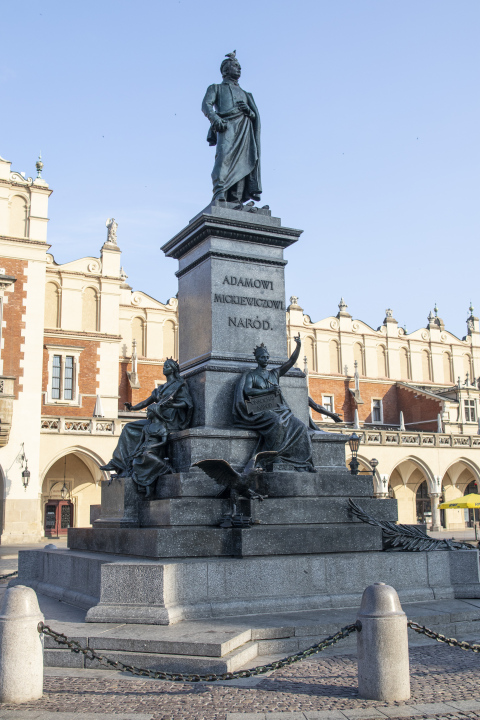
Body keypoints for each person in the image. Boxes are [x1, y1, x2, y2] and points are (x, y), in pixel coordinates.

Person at [100, 359, 193, 495]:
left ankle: (135, 466)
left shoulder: (180, 385)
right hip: (157, 419)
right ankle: (118, 462)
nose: (164, 368)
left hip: (170, 420)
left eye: (167, 366)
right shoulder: (161, 388)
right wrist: (132, 407)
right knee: (128, 428)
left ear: (173, 369)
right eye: (164, 366)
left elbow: (187, 403)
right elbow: (146, 402)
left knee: (133, 430)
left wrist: (172, 405)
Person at [233, 337, 316, 472]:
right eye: (262, 357)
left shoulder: (274, 373)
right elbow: (247, 390)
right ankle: (271, 457)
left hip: (278, 408)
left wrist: (299, 346)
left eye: (267, 357)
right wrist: (268, 390)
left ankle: (302, 462)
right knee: (277, 422)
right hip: (259, 408)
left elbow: (291, 361)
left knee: (300, 426)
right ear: (257, 359)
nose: (265, 360)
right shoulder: (251, 375)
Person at [202, 51, 262, 204]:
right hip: (227, 126)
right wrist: (215, 119)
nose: (239, 69)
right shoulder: (216, 88)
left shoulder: (246, 93)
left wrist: (249, 111)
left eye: (240, 66)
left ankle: (236, 199)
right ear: (225, 70)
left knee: (244, 160)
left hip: (244, 128)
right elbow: (206, 105)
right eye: (235, 66)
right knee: (223, 159)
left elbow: (254, 116)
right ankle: (219, 193)